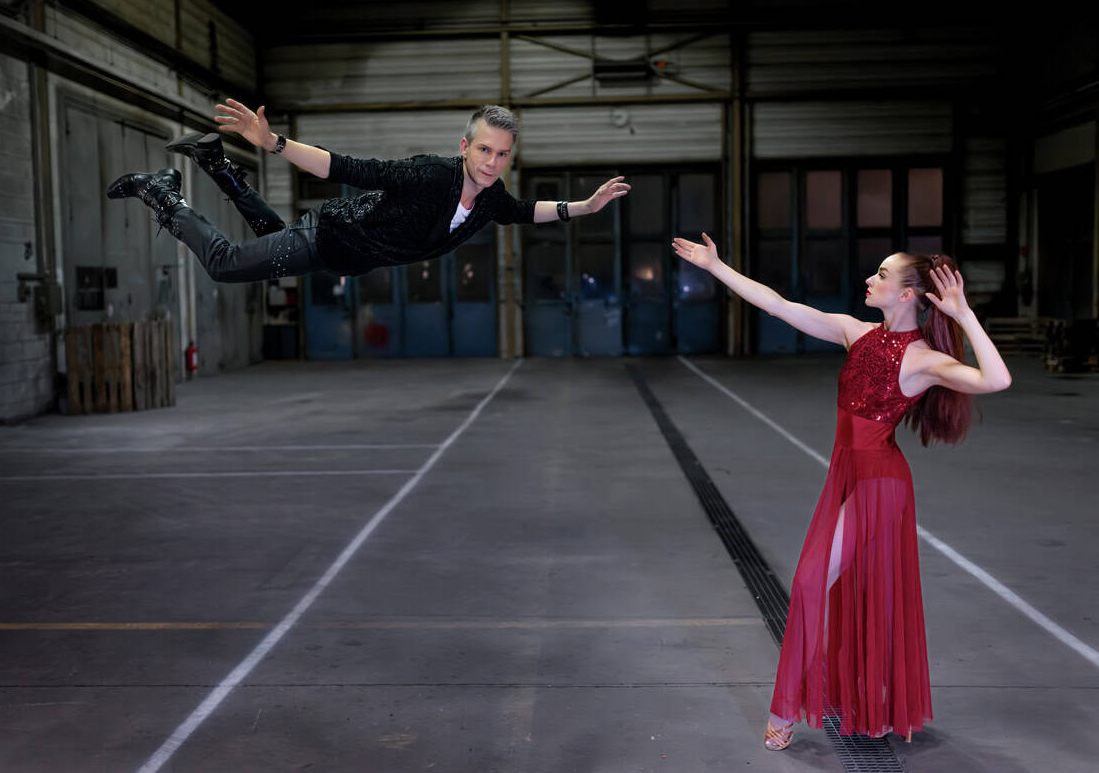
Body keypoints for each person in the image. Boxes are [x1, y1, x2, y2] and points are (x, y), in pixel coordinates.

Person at [672, 233, 1011, 749]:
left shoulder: (921, 360)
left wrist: (964, 315)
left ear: (906, 296)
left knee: (809, 582)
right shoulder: (856, 333)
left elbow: (996, 380)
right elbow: (779, 305)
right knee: (835, 589)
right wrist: (717, 268)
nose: (868, 280)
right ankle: (846, 698)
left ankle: (784, 710)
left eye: (881, 275)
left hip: (880, 484)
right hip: (847, 474)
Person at [106, 102, 630, 282]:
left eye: (503, 154)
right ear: (465, 146)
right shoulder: (432, 175)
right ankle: (164, 194)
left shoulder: (491, 197)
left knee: (268, 234)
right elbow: (347, 167)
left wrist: (585, 205)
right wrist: (274, 142)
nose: (493, 164)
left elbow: (522, 211)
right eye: (485, 151)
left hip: (343, 257)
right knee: (225, 264)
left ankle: (215, 163)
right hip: (328, 237)